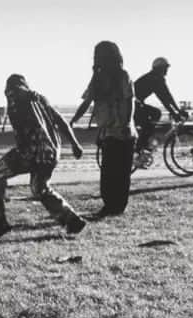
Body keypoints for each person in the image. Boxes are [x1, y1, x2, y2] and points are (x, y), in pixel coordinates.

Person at [0, 75, 86, 240]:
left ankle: (0, 222)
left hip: (30, 152)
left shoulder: (17, 97)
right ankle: (71, 219)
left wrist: (18, 95)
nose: (8, 94)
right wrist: (74, 143)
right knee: (40, 188)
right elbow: (60, 120)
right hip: (51, 153)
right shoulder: (41, 99)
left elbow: (21, 96)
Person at [71, 41, 135, 217]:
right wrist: (74, 120)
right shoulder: (98, 77)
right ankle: (109, 205)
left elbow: (130, 100)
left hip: (122, 131)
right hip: (107, 131)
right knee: (108, 172)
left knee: (121, 172)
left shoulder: (123, 75)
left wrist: (127, 123)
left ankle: (117, 207)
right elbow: (87, 101)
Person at [133, 57, 188, 154]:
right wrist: (175, 113)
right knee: (154, 115)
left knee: (154, 115)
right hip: (133, 104)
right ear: (159, 68)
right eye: (165, 68)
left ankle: (142, 141)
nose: (167, 70)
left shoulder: (156, 78)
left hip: (136, 103)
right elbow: (164, 100)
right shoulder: (155, 79)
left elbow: (168, 96)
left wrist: (177, 111)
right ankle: (140, 145)